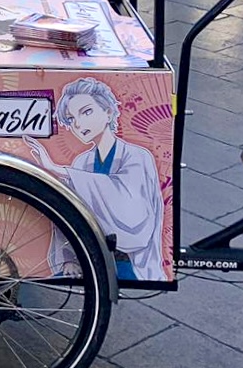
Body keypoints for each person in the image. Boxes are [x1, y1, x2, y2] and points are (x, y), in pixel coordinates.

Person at [25, 77, 164, 282]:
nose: (79, 124)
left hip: (129, 261)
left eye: (86, 112)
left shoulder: (137, 156)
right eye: (71, 119)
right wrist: (69, 258)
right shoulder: (82, 162)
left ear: (108, 111)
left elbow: (135, 213)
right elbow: (68, 211)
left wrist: (58, 170)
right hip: (87, 257)